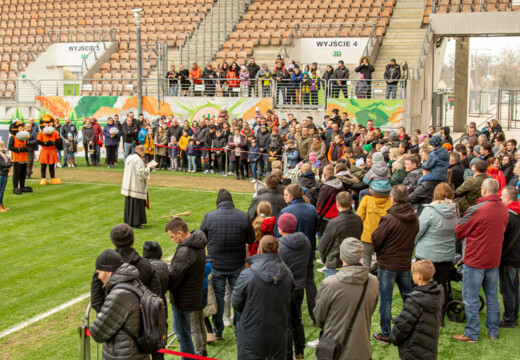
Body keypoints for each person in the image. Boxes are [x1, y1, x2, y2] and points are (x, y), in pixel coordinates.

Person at [452, 178, 509, 343]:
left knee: (470, 297)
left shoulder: (477, 209)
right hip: (493, 259)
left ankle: (472, 332)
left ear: (483, 190)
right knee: (492, 296)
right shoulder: (503, 209)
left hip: (476, 259)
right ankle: (493, 331)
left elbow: (460, 230)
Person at [200, 189, 255, 339]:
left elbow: (201, 238)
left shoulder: (210, 217)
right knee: (237, 297)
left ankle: (218, 331)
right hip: (234, 265)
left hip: (220, 265)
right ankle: (238, 330)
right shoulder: (242, 217)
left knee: (218, 298)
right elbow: (251, 239)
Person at [313, 238, 379, 359]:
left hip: (335, 350)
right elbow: (371, 309)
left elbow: (319, 317)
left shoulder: (330, 284)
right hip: (362, 349)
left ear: (341, 256)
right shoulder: (374, 281)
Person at [232, 235, 294, 360]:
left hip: (253, 335)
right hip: (275, 333)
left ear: (259, 251)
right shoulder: (287, 273)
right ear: (277, 251)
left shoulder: (248, 275)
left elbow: (236, 302)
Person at [371, 185, 419, 344]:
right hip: (404, 262)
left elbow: (376, 239)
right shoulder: (413, 217)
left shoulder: (390, 218)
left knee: (386, 300)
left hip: (390, 264)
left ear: (393, 198)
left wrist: (381, 251)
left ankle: (386, 334)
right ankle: (411, 327)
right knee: (409, 296)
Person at [89, 249, 148, 360]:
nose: (98, 277)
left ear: (110, 272)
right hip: (138, 353)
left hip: (124, 355)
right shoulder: (135, 282)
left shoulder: (118, 296)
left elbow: (97, 332)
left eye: (99, 273)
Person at [274, 184, 319, 325]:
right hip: (307, 251)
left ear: (291, 196)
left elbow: (277, 233)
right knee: (309, 283)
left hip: (289, 254)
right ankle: (314, 315)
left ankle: (290, 316)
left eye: (286, 195)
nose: (284, 197)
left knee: (289, 284)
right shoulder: (312, 210)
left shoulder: (285, 212)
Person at [414, 183, 457, 327]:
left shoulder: (430, 210)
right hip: (446, 253)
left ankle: (421, 315)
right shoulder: (455, 210)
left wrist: (414, 242)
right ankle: (440, 319)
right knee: (441, 285)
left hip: (428, 253)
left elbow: (418, 230)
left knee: (423, 284)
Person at [166, 217, 208, 360]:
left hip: (183, 300)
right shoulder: (198, 244)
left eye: (172, 236)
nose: (172, 240)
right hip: (194, 296)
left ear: (180, 233)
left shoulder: (185, 252)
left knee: (184, 337)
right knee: (193, 329)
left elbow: (173, 279)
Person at [390, 260, 444, 360]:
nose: (412, 275)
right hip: (429, 346)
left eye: (414, 273)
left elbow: (403, 325)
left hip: (414, 350)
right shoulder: (437, 294)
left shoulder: (415, 300)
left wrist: (394, 337)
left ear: (419, 276)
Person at [278, 213, 311, 360]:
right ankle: (299, 352)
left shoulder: (279, 246)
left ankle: (288, 355)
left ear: (281, 227)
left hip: (285, 289)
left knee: (286, 323)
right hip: (299, 287)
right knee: (296, 319)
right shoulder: (306, 241)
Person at [319, 191, 363, 277]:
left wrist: (324, 259)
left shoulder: (334, 223)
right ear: (351, 203)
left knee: (331, 289)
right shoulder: (358, 219)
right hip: (352, 261)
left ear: (337, 204)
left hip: (337, 263)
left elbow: (324, 245)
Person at [142, 241, 169, 360]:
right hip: (161, 311)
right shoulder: (164, 266)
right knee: (159, 351)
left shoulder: (142, 269)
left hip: (146, 312)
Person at [499, 186, 520, 328]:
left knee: (508, 289)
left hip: (510, 257)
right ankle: (513, 316)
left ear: (507, 198)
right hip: (516, 256)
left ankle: (509, 318)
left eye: (502, 197)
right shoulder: (516, 213)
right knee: (513, 288)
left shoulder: (509, 215)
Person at [121, 145, 156, 229]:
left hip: (129, 184)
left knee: (130, 203)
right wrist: (150, 168)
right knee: (137, 204)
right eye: (143, 152)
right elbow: (141, 173)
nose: (144, 154)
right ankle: (137, 222)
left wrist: (145, 166)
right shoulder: (137, 159)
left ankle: (129, 221)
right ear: (140, 151)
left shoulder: (129, 157)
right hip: (135, 184)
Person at [0, 140, 11, 212]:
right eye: (2, 146)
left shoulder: (4, 154)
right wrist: (10, 164)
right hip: (1, 173)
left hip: (5, 173)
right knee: (0, 190)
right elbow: (2, 164)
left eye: (4, 145)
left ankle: (1, 204)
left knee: (2, 190)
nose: (4, 147)